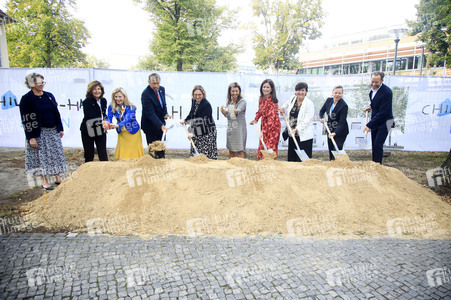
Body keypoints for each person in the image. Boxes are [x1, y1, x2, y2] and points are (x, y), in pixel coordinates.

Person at [19, 72, 67, 190]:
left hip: (52, 130)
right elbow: (26, 119)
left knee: (56, 154)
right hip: (38, 132)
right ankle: (44, 181)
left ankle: (58, 177)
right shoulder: (26, 99)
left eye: (43, 82)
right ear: (31, 83)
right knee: (41, 156)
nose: (42, 85)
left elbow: (56, 112)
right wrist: (31, 137)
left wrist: (60, 128)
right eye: (39, 82)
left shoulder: (49, 95)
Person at [363, 71, 394, 164]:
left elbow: (383, 112)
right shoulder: (372, 91)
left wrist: (369, 125)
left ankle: (378, 166)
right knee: (374, 145)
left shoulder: (387, 92)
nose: (373, 84)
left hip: (386, 122)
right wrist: (371, 108)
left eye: (376, 82)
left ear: (382, 81)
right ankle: (374, 164)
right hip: (376, 121)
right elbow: (377, 104)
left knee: (378, 145)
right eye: (372, 81)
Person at [280, 82, 315, 161]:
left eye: (303, 90)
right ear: (296, 91)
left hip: (304, 136)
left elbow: (307, 120)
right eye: (298, 90)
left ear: (306, 92)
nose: (300, 92)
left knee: (303, 160)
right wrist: (283, 108)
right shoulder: (293, 98)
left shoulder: (309, 104)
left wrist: (297, 129)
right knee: (292, 158)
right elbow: (286, 104)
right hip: (292, 133)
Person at [106, 87, 144, 159]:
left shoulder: (130, 107)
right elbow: (109, 117)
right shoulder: (111, 106)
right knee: (124, 154)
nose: (118, 99)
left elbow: (127, 119)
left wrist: (117, 125)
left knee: (134, 154)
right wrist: (108, 123)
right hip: (122, 133)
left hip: (133, 132)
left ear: (124, 97)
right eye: (116, 97)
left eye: (120, 96)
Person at [183, 85, 218, 159]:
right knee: (196, 157)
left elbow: (204, 123)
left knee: (205, 157)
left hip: (207, 133)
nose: (197, 97)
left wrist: (193, 133)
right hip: (196, 130)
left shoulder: (206, 105)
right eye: (195, 95)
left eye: (199, 95)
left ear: (203, 94)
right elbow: (192, 112)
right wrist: (186, 120)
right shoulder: (193, 101)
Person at [141, 73, 171, 159]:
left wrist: (165, 114)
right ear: (149, 82)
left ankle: (162, 166)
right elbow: (150, 113)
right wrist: (160, 125)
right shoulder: (145, 94)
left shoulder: (162, 89)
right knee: (153, 151)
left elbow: (163, 104)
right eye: (154, 83)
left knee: (161, 149)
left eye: (158, 83)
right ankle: (153, 169)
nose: (156, 86)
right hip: (150, 126)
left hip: (161, 124)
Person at [250, 79, 281, 160]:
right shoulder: (261, 98)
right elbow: (260, 111)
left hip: (273, 128)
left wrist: (263, 132)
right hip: (264, 125)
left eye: (268, 87)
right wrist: (256, 119)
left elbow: (271, 120)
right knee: (263, 146)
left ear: (271, 89)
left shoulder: (273, 101)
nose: (265, 89)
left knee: (270, 149)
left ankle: (270, 166)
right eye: (264, 87)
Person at [80, 80, 108, 162]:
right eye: (94, 89)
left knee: (103, 153)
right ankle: (87, 173)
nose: (97, 91)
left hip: (100, 128)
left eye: (99, 89)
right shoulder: (87, 102)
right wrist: (103, 122)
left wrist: (107, 121)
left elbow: (104, 114)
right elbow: (90, 116)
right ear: (90, 91)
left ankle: (106, 172)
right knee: (89, 154)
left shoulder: (103, 100)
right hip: (88, 129)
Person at [319, 85, 349, 160]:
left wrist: (335, 133)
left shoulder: (344, 106)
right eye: (336, 93)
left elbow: (342, 123)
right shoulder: (329, 101)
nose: (337, 95)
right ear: (332, 93)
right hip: (330, 129)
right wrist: (322, 118)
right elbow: (321, 111)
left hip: (340, 132)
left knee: (337, 150)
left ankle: (338, 167)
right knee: (331, 150)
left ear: (342, 94)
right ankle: (331, 164)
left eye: (339, 93)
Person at [220, 82, 247, 158]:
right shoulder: (229, 102)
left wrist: (227, 109)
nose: (235, 93)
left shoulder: (242, 102)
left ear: (239, 92)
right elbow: (230, 116)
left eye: (236, 91)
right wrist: (223, 111)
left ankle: (240, 167)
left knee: (240, 150)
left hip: (239, 130)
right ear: (230, 92)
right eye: (233, 91)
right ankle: (232, 167)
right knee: (231, 151)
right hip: (231, 130)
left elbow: (236, 111)